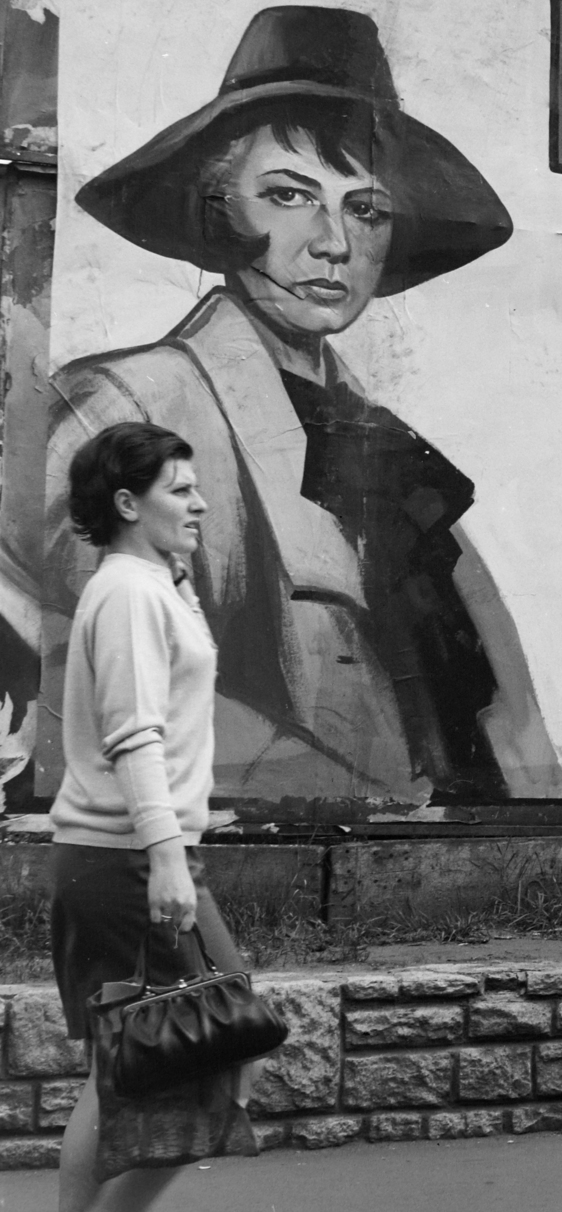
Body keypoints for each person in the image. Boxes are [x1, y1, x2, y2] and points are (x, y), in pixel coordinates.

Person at [40, 6, 560, 805]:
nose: (333, 243)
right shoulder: (127, 408)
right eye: (289, 195)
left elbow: (502, 720)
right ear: (220, 204)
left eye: (366, 208)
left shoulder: (390, 450)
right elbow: (100, 680)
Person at [50, 422, 247, 1210]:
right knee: (138, 1065)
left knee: (211, 1052)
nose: (199, 502)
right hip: (128, 857)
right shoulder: (129, 591)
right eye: (180, 489)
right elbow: (134, 731)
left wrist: (181, 577)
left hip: (137, 852)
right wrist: (168, 854)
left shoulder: (148, 583)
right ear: (129, 502)